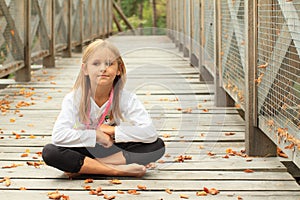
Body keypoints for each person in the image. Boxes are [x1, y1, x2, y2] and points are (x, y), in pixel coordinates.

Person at [42, 39, 165, 177]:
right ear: (85, 69)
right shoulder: (74, 98)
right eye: (96, 63)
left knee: (157, 146)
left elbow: (150, 132)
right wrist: (96, 135)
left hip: (111, 147)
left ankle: (89, 167)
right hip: (84, 147)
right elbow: (58, 136)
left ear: (119, 69)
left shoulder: (126, 98)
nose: (103, 68)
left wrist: (112, 131)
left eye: (109, 64)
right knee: (50, 152)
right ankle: (117, 170)